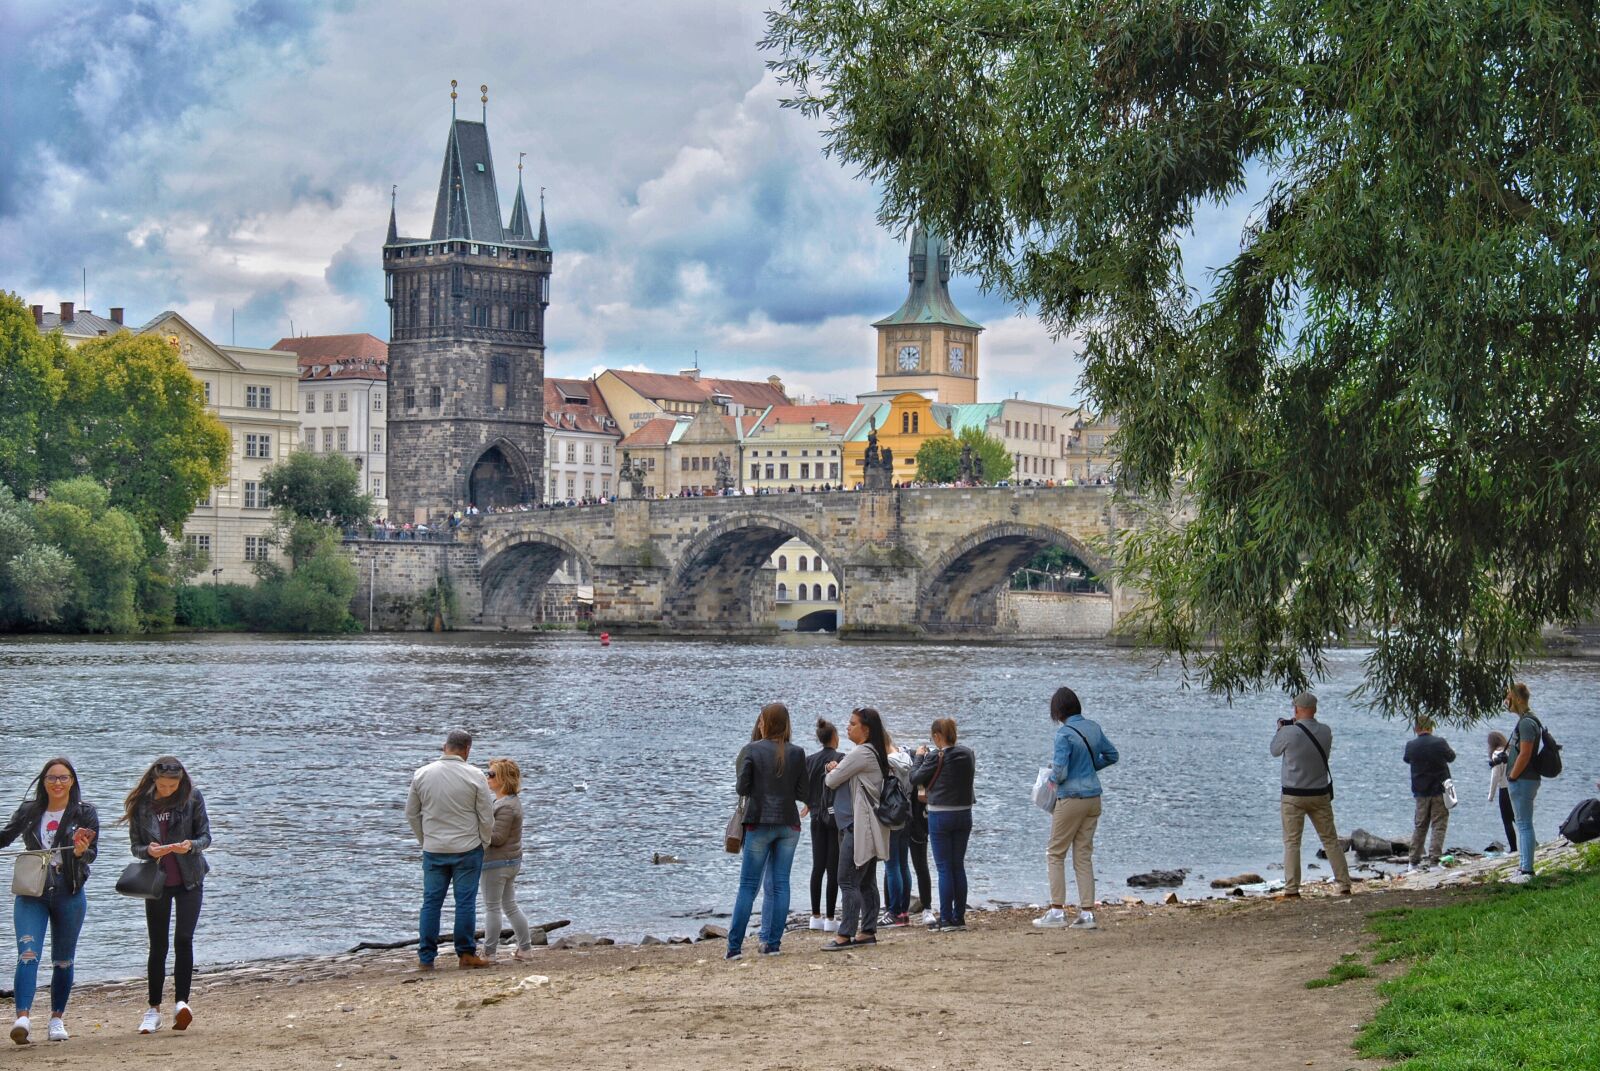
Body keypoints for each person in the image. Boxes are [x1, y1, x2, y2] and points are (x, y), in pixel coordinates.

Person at [2, 757, 99, 1045]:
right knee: (28, 954)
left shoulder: (84, 813)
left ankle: (56, 1019)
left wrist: (81, 852)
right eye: (52, 778)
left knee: (63, 962)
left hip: (69, 890)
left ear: (72, 781)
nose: (58, 783)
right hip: (33, 891)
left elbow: (93, 853)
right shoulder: (30, 810)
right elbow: (5, 837)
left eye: (64, 778)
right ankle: (22, 1019)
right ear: (43, 782)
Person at [123, 757, 211, 1034]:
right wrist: (149, 851)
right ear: (153, 781)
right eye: (162, 785)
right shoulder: (142, 804)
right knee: (158, 945)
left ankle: (182, 1003)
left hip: (190, 879)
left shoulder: (193, 797)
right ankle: (153, 1009)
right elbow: (135, 847)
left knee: (183, 939)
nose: (168, 790)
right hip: (157, 882)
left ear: (181, 782)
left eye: (173, 785)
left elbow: (206, 838)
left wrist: (190, 846)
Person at [405, 730, 495, 970]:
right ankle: (466, 954)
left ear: (445, 747)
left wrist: (424, 840)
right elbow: (486, 815)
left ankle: (426, 958)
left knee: (431, 903)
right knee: (465, 902)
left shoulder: (422, 774)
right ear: (467, 750)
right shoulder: (475, 775)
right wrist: (483, 842)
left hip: (434, 847)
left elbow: (411, 813)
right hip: (467, 846)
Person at [727, 703, 807, 959]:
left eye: (761, 720)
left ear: (765, 723)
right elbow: (803, 792)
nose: (759, 724)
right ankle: (772, 943)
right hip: (788, 824)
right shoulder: (797, 752)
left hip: (759, 822)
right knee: (780, 884)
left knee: (749, 886)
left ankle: (735, 948)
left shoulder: (751, 749)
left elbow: (742, 788)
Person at [1035, 687, 1119, 930]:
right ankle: (1087, 913)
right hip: (1094, 797)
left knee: (1055, 853)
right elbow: (1112, 755)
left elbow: (1060, 772)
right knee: (1083, 855)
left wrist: (1052, 779)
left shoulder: (1063, 735)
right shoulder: (1093, 727)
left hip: (1071, 798)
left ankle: (1057, 910)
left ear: (1058, 711)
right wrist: (1090, 769)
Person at [1271, 692, 1352, 899]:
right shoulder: (1326, 731)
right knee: (1330, 840)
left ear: (1296, 709)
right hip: (1319, 794)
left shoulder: (1288, 732)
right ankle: (1344, 884)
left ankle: (1291, 889)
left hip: (1293, 795)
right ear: (1314, 709)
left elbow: (1274, 750)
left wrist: (1281, 730)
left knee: (1292, 842)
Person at [822, 707, 891, 950]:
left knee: (847, 879)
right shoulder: (874, 752)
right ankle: (868, 930)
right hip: (870, 827)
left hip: (858, 827)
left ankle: (845, 934)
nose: (848, 727)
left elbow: (831, 781)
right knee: (866, 881)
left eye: (853, 723)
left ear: (866, 729)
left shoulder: (862, 752)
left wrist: (834, 770)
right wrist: (838, 770)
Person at [911, 718, 976, 931]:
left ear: (938, 736)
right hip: (964, 813)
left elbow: (915, 777)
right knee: (958, 865)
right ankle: (959, 917)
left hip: (940, 814)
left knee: (944, 867)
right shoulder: (968, 753)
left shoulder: (935, 755)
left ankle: (946, 918)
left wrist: (919, 757)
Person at [481, 758, 534, 961]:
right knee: (510, 906)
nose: (488, 777)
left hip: (496, 863)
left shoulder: (506, 806)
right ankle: (525, 949)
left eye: (492, 774)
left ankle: (489, 953)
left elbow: (497, 838)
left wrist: (478, 830)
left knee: (493, 907)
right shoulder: (506, 802)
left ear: (503, 779)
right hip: (510, 862)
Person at [803, 719, 843, 932]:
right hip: (835, 818)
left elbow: (802, 787)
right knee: (833, 867)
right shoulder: (841, 758)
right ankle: (830, 918)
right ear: (834, 737)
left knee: (817, 866)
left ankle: (814, 915)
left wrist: (809, 804)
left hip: (816, 817)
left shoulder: (809, 760)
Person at [1502, 682, 1542, 883]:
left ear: (1518, 699)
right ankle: (1524, 866)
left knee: (1524, 824)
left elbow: (1525, 754)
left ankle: (1527, 870)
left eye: (1509, 697)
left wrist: (1513, 776)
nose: (1506, 702)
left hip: (1523, 779)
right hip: (1526, 779)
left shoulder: (1527, 723)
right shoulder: (1528, 720)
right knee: (1523, 823)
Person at [1402, 718, 1455, 871]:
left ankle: (1413, 861)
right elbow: (1451, 757)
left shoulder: (1411, 745)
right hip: (1439, 789)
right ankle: (1434, 861)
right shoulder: (1440, 742)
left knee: (1420, 825)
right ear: (1431, 727)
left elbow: (1407, 759)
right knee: (1438, 825)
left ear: (1416, 729)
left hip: (1420, 791)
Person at [882, 735, 914, 926]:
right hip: (907, 812)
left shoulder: (887, 763)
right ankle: (904, 912)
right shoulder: (906, 757)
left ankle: (894, 911)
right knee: (903, 864)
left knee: (891, 865)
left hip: (892, 815)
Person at [1487, 730, 1517, 853]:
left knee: (1507, 821)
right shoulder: (1511, 751)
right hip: (1515, 787)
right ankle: (1532, 841)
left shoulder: (1496, 754)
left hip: (1504, 790)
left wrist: (1491, 795)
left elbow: (1495, 776)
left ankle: (1513, 848)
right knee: (1519, 818)